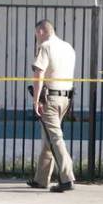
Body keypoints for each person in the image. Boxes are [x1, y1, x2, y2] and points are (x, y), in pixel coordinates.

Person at [28, 19, 77, 192]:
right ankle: (41, 179)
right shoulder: (68, 47)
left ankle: (66, 178)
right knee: (49, 135)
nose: (37, 38)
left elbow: (39, 73)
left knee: (55, 137)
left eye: (36, 35)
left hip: (51, 98)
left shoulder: (46, 47)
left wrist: (36, 100)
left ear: (41, 31)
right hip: (66, 98)